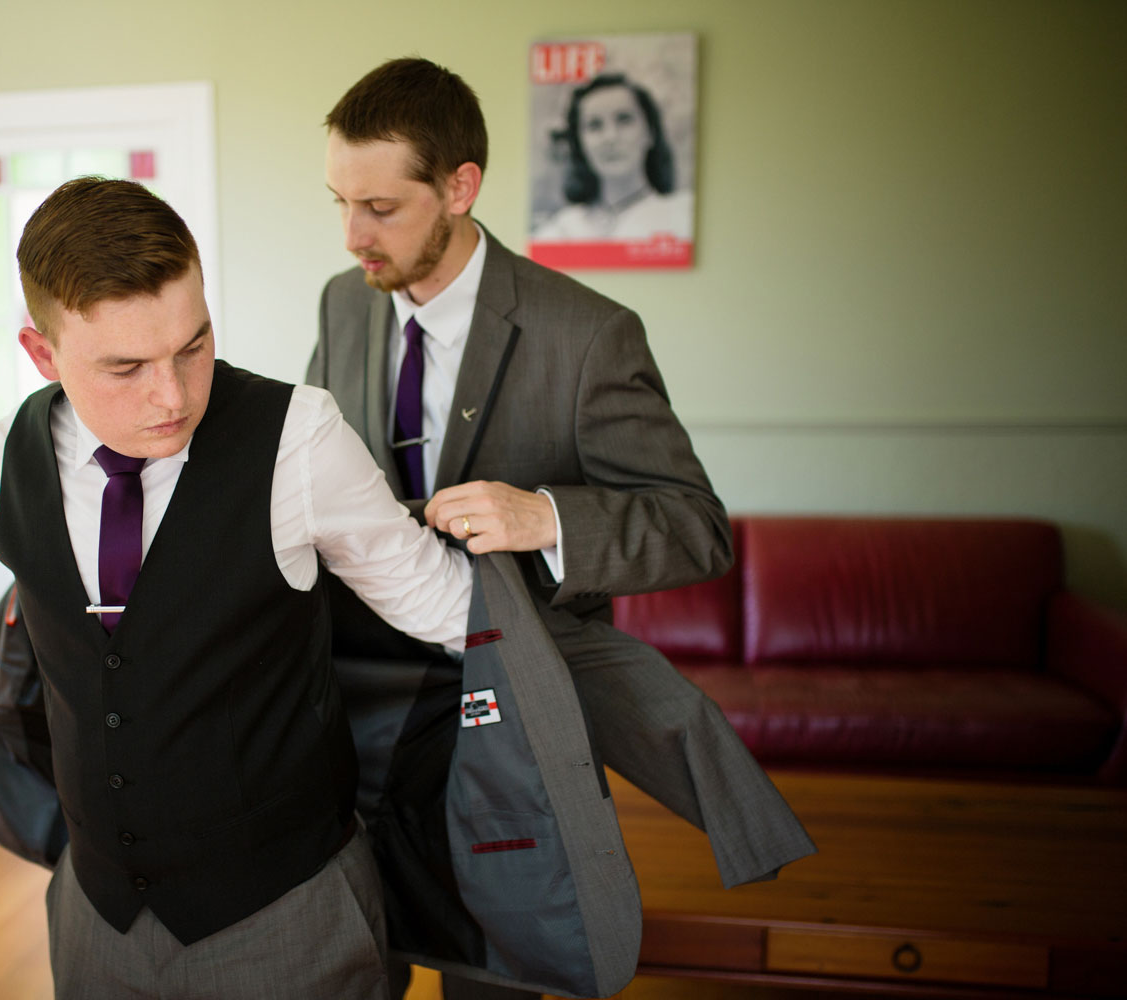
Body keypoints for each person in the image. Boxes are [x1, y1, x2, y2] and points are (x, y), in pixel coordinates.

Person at [309, 58, 812, 1000]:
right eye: (339, 201)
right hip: (364, 709)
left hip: (514, 718)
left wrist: (543, 516)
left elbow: (697, 529)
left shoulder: (589, 335)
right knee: (356, 951)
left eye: (380, 207)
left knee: (497, 965)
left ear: (461, 187)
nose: (352, 235)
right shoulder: (345, 303)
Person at [0, 175, 474, 999]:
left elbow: (450, 610)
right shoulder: (28, 441)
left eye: (193, 345)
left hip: (284, 920)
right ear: (43, 355)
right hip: (93, 917)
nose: (173, 396)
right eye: (126, 366)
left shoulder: (300, 437)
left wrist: (559, 534)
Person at [531, 71, 694, 242]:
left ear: (650, 133)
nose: (610, 137)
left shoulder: (682, 215)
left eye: (624, 120)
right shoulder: (560, 231)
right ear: (579, 143)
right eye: (594, 125)